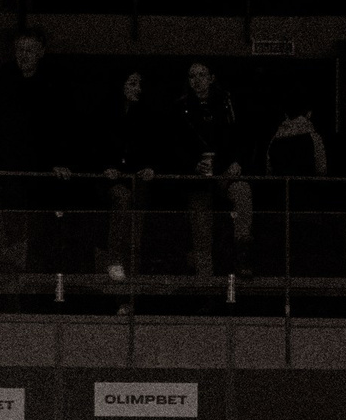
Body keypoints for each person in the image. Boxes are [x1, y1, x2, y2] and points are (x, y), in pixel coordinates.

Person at [0, 28, 76, 270]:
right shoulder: (1, 79)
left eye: (29, 50)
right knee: (12, 227)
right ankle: (14, 273)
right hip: (10, 167)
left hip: (43, 169)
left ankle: (37, 276)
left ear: (41, 52)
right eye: (19, 49)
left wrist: (60, 160)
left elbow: (64, 125)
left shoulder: (55, 81)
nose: (24, 55)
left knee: (42, 229)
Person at [175, 61, 254, 277]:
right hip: (197, 179)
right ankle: (205, 282)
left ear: (211, 78)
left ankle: (243, 253)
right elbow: (175, 145)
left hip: (224, 170)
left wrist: (236, 161)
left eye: (202, 75)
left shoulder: (226, 103)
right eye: (192, 76)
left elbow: (241, 136)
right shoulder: (181, 107)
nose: (197, 80)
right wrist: (193, 164)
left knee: (242, 191)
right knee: (201, 229)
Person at [94, 70, 159, 281]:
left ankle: (131, 279)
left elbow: (153, 147)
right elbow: (95, 146)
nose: (137, 89)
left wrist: (150, 167)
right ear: (121, 85)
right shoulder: (105, 111)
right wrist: (105, 167)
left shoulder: (145, 114)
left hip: (136, 182)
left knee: (135, 230)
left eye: (139, 84)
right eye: (132, 84)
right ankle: (114, 259)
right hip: (109, 184)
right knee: (121, 198)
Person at [265, 97, 328, 178]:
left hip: (281, 185)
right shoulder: (313, 138)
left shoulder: (274, 139)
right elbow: (321, 169)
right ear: (309, 113)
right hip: (305, 184)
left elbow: (269, 170)